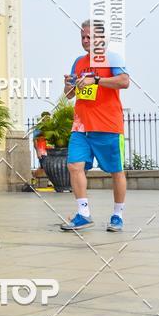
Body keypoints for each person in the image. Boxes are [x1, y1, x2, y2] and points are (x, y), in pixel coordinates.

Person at [60, 19, 129, 233]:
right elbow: (70, 94)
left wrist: (96, 80)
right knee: (74, 166)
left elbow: (124, 81)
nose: (86, 41)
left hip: (108, 125)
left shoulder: (112, 58)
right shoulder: (78, 62)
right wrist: (68, 86)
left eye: (91, 37)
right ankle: (83, 214)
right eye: (83, 37)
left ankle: (117, 215)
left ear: (101, 39)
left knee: (116, 171)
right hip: (81, 126)